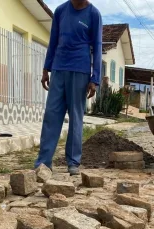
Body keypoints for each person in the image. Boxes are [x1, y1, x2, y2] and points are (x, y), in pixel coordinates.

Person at [34, 0, 102, 175]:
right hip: (58, 68)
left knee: (76, 118)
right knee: (52, 115)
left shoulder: (94, 14)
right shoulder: (60, 11)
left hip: (80, 70)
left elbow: (97, 46)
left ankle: (73, 162)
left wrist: (95, 79)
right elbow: (53, 40)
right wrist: (45, 68)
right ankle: (44, 162)